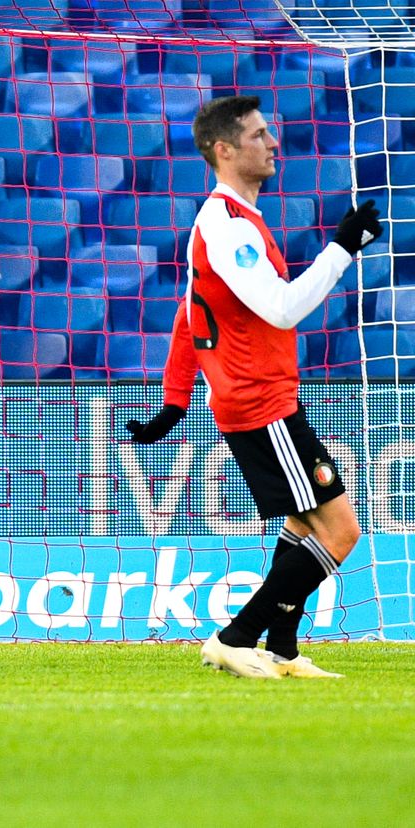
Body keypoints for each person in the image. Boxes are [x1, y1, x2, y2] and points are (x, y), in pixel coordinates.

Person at [126, 95, 383, 679]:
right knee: (341, 532)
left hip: (262, 398)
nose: (272, 143)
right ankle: (234, 636)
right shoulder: (226, 225)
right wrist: (342, 247)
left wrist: (174, 403)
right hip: (258, 402)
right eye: (259, 134)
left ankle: (283, 651)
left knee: (303, 523)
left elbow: (190, 314)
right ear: (223, 149)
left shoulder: (234, 221)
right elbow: (282, 307)